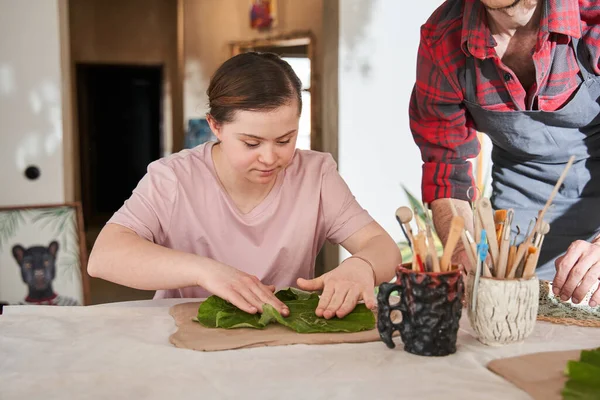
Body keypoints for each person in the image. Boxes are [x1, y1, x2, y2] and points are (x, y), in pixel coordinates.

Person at [88, 52, 400, 319]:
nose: (269, 157)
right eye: (251, 142)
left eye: (284, 140)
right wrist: (206, 271)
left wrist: (362, 265)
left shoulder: (316, 175)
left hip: (281, 338)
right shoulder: (173, 178)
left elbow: (383, 246)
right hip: (188, 339)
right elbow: (105, 256)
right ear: (216, 126)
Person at [409, 0, 600, 307]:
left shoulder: (592, 17)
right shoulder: (443, 39)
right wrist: (461, 252)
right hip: (517, 232)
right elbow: (446, 170)